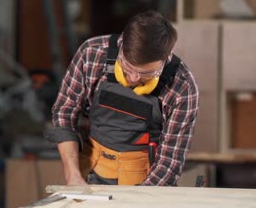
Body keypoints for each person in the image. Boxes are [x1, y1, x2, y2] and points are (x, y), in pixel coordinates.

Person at [44, 10, 199, 186]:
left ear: (165, 59)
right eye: (127, 67)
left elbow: (170, 160)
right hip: (88, 173)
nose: (133, 78)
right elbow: (64, 111)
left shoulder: (182, 86)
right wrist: (72, 174)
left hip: (147, 182)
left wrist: (139, 201)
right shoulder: (92, 54)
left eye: (146, 73)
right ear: (122, 46)